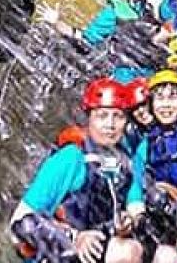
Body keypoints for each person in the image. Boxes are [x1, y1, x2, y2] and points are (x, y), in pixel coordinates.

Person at [10, 78, 144, 263]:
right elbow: (20, 221)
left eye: (118, 116)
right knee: (125, 252)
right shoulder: (71, 157)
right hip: (62, 252)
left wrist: (130, 221)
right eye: (102, 116)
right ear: (89, 118)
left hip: (101, 246)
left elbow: (135, 204)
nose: (110, 125)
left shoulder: (125, 160)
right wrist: (74, 237)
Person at [129, 69, 177, 262]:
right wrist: (138, 215)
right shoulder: (146, 144)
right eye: (159, 98)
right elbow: (135, 187)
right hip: (162, 221)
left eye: (172, 97)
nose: (165, 104)